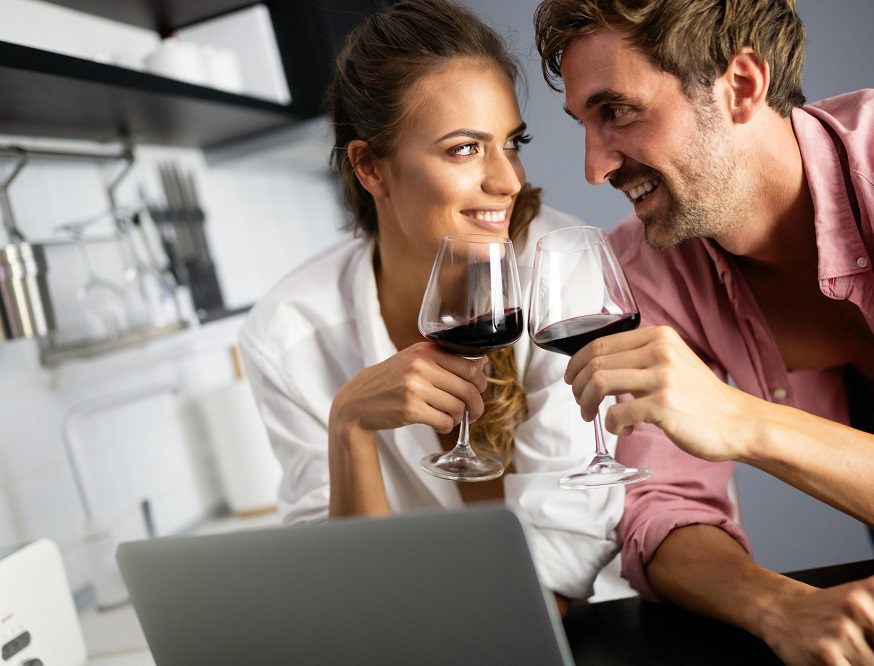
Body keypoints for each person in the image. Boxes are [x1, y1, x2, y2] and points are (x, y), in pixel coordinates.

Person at [534, 0, 874, 662]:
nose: (594, 167)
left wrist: (742, 421)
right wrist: (778, 604)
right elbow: (657, 510)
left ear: (742, 86)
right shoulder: (647, 266)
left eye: (618, 112)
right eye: (584, 122)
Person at [238, 0, 627, 613]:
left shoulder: (562, 270)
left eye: (511, 143)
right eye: (464, 149)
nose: (508, 180)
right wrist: (350, 426)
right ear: (370, 166)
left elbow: (565, 549)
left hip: (591, 631)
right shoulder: (290, 330)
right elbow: (346, 589)